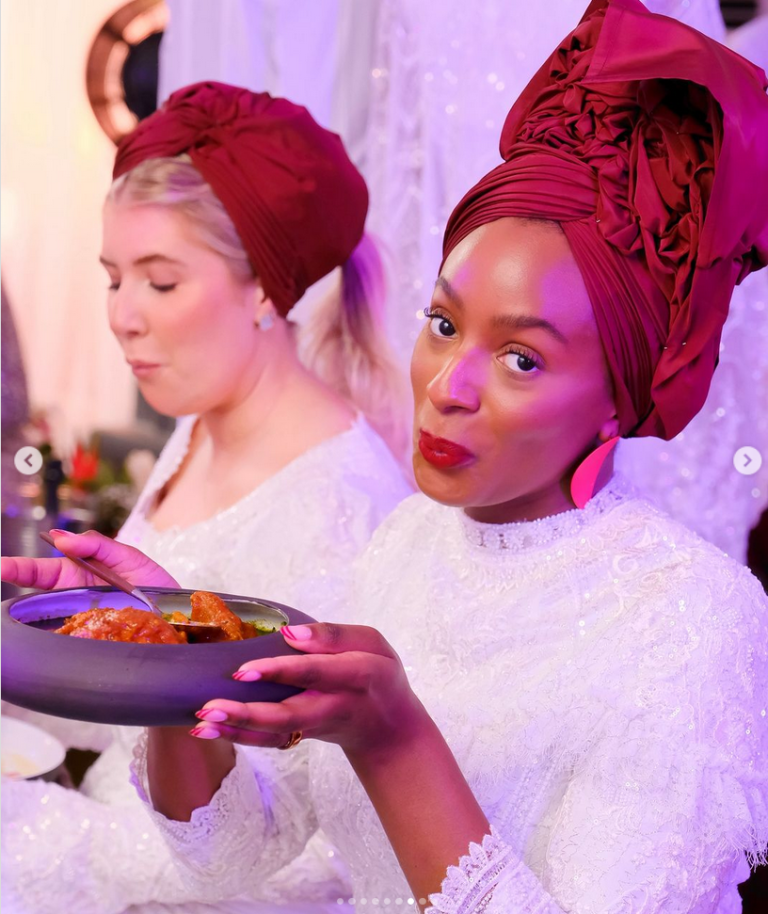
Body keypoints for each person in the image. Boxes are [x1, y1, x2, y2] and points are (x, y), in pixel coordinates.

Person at [4, 1, 768, 911]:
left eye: (521, 358)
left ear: (620, 396)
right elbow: (237, 857)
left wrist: (395, 739)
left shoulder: (688, 619)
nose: (448, 383)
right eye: (443, 324)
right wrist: (171, 648)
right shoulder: (407, 544)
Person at [1, 83, 412, 914]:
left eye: (160, 283)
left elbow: (314, 855)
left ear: (261, 288)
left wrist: (40, 834)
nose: (122, 317)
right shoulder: (199, 426)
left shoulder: (339, 503)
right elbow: (142, 703)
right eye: (113, 278)